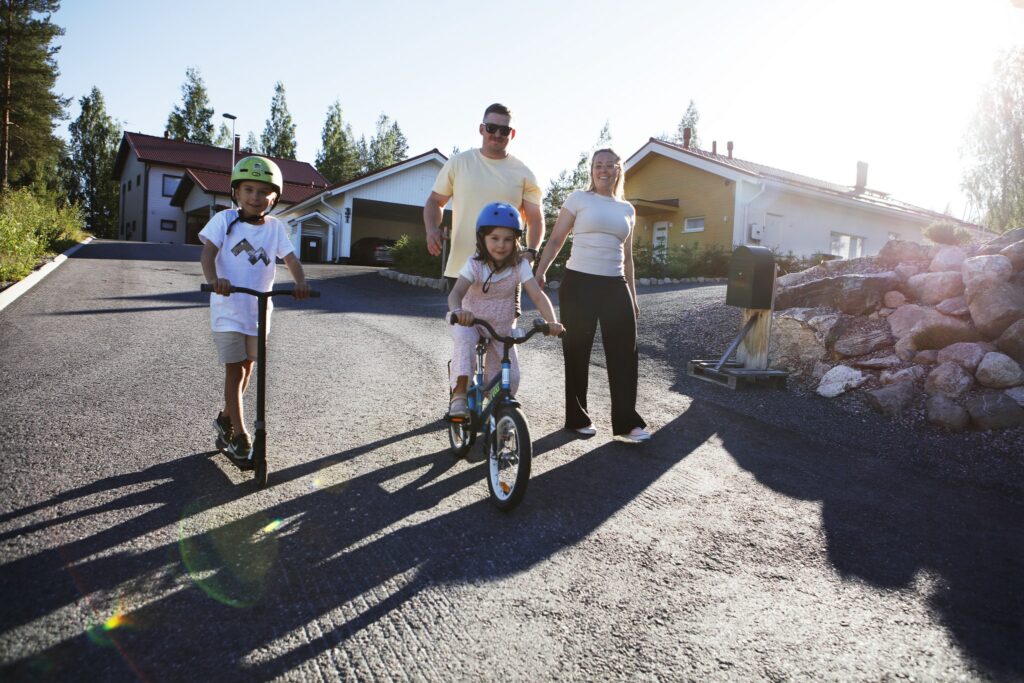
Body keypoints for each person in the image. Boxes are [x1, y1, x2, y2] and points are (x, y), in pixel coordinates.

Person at [534, 149, 650, 443]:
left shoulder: (627, 209)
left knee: (624, 352)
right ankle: (577, 418)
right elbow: (557, 237)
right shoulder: (578, 199)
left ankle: (627, 423)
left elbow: (627, 258)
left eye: (609, 165)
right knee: (577, 350)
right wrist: (540, 271)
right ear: (592, 170)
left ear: (618, 170)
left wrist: (633, 296)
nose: (604, 170)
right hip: (579, 282)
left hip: (615, 284)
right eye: (598, 165)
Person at [199, 156, 310, 460]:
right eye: (248, 189)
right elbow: (208, 255)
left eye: (263, 192)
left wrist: (300, 283)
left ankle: (225, 418)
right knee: (235, 372)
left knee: (248, 369)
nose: (255, 197)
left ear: (273, 197)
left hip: (258, 313)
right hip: (228, 310)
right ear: (236, 191)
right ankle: (241, 434)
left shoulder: (274, 228)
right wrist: (215, 280)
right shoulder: (224, 220)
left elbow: (291, 260)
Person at [447, 202, 563, 418]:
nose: (501, 245)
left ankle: (496, 411)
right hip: (470, 323)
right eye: (495, 238)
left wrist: (552, 322)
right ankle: (460, 396)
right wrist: (458, 311)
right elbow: (455, 293)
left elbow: (537, 295)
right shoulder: (474, 264)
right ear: (483, 239)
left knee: (510, 376)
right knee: (464, 340)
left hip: (501, 328)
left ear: (516, 240)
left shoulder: (519, 265)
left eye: (508, 239)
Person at [424, 103, 545, 291]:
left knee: (503, 322)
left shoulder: (524, 173)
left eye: (504, 130)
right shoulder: (459, 163)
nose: (497, 134)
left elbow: (536, 219)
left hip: (506, 272)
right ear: (481, 129)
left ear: (511, 134)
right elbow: (435, 201)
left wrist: (531, 252)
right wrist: (432, 229)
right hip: (461, 271)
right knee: (461, 321)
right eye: (491, 128)